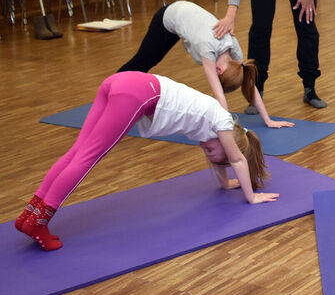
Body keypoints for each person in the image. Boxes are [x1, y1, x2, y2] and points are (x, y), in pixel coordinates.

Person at [15, 71, 279, 251]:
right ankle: (39, 221)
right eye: (212, 152)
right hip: (137, 94)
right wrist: (251, 197)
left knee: (77, 152)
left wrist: (226, 183)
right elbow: (237, 159)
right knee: (88, 157)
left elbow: (225, 158)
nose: (206, 151)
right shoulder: (222, 121)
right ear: (228, 143)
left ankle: (30, 214)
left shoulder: (210, 125)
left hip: (120, 81)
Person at [118, 0, 293, 129]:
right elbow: (219, 95)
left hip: (185, 16)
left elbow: (249, 82)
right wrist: (228, 127)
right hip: (168, 16)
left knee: (149, 61)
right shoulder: (207, 49)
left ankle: (121, 91)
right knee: (144, 61)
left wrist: (268, 120)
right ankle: (114, 86)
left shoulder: (233, 49)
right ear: (219, 70)